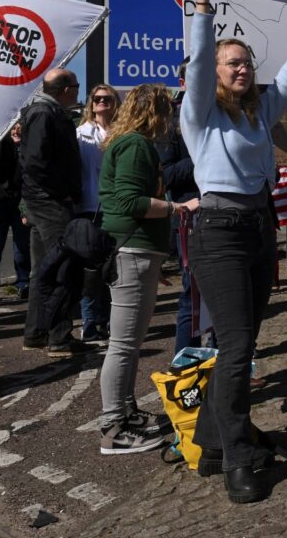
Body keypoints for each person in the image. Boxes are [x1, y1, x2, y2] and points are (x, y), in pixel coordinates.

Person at [181, 0, 287, 504]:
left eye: (245, 61)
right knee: (238, 346)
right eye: (231, 63)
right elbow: (200, 63)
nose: (240, 69)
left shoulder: (257, 112)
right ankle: (238, 458)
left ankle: (211, 441)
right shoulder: (201, 113)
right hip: (218, 230)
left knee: (241, 343)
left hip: (258, 226)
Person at [98, 83, 199, 454]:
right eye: (168, 110)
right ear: (155, 112)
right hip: (131, 250)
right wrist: (178, 207)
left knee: (129, 342)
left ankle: (126, 413)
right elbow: (130, 201)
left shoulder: (131, 143)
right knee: (123, 344)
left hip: (137, 252)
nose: (172, 119)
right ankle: (113, 427)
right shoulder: (135, 145)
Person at [19, 68, 83, 355]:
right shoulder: (45, 113)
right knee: (62, 267)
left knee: (44, 269)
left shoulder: (46, 112)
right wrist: (62, 191)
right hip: (49, 203)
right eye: (76, 86)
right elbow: (35, 162)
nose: (79, 90)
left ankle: (37, 332)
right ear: (66, 89)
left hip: (43, 201)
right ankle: (58, 336)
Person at [156, 58, 205, 355]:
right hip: (192, 219)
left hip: (228, 214)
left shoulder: (225, 113)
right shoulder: (169, 123)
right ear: (183, 83)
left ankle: (228, 363)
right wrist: (203, 156)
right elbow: (166, 175)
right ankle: (187, 362)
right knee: (193, 294)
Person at [77, 83, 121, 343]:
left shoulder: (120, 132)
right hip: (90, 206)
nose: (102, 102)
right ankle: (90, 322)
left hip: (115, 208)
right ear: (91, 104)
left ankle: (106, 320)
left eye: (108, 98)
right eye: (97, 98)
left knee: (111, 267)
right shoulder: (82, 134)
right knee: (92, 269)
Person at [0, 123, 30, 299]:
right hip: (0, 200)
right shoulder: (0, 143)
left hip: (21, 201)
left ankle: (23, 282)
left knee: (21, 246)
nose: (16, 131)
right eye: (13, 127)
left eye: (19, 127)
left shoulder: (29, 146)